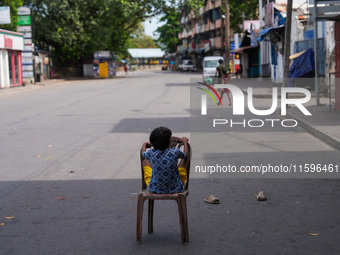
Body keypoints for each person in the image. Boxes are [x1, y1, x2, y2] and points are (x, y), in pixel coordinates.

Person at [142, 127, 189, 194]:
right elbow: (186, 155)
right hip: (176, 188)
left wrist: (144, 145)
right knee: (186, 160)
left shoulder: (151, 152)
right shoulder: (175, 151)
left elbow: (143, 154)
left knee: (145, 161)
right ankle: (181, 180)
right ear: (169, 141)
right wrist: (185, 142)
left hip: (155, 188)